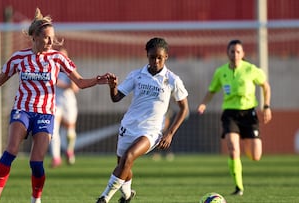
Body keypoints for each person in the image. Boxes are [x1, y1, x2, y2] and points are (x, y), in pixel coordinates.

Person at [0, 8, 110, 203]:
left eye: (52, 38)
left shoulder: (58, 58)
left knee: (36, 162)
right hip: (22, 110)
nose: (51, 42)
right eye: (47, 38)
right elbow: (0, 79)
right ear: (34, 37)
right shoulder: (19, 58)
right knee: (11, 150)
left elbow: (80, 82)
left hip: (46, 114)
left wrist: (99, 80)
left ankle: (36, 199)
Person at [96, 37, 189, 203]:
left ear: (166, 57)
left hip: (151, 132)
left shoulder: (172, 80)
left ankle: (104, 198)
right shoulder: (136, 75)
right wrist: (113, 87)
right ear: (147, 56)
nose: (156, 61)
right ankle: (127, 195)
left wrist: (170, 133)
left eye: (159, 57)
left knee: (129, 157)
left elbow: (184, 109)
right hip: (128, 127)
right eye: (152, 57)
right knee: (124, 165)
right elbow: (116, 98)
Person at [197, 39, 272, 196]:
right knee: (232, 148)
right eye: (232, 51)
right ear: (228, 53)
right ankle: (239, 187)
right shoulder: (221, 72)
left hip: (249, 114)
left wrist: (266, 106)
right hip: (230, 114)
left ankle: (246, 142)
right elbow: (212, 90)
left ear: (243, 54)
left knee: (255, 156)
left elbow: (265, 86)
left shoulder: (252, 70)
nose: (235, 54)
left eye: (238, 51)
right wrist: (204, 104)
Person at [50, 47, 79, 167]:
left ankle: (69, 151)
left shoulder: (70, 69)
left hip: (68, 102)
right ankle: (56, 158)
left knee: (70, 130)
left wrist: (70, 80)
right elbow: (52, 82)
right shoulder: (51, 69)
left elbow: (75, 88)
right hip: (54, 102)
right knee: (53, 130)